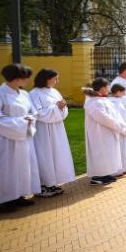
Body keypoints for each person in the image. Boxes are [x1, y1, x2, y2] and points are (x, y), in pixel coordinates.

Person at [0, 64, 40, 212]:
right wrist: (21, 122)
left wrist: (30, 119)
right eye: (25, 77)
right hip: (2, 139)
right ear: (16, 78)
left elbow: (32, 111)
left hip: (21, 138)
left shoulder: (24, 94)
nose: (27, 80)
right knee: (4, 170)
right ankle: (1, 201)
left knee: (20, 168)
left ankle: (18, 195)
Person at [29, 68, 74, 197]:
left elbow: (63, 110)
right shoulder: (34, 93)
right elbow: (38, 113)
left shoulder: (54, 92)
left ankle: (52, 182)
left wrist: (63, 107)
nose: (57, 81)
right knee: (45, 155)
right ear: (46, 79)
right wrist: (56, 107)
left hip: (57, 129)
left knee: (56, 154)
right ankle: (43, 185)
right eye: (55, 79)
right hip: (43, 130)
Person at [83, 78, 126, 186]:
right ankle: (97, 176)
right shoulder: (93, 102)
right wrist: (117, 125)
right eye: (107, 87)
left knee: (107, 153)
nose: (109, 89)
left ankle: (105, 173)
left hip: (107, 131)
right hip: (98, 133)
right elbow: (104, 118)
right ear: (102, 88)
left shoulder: (102, 99)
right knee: (100, 153)